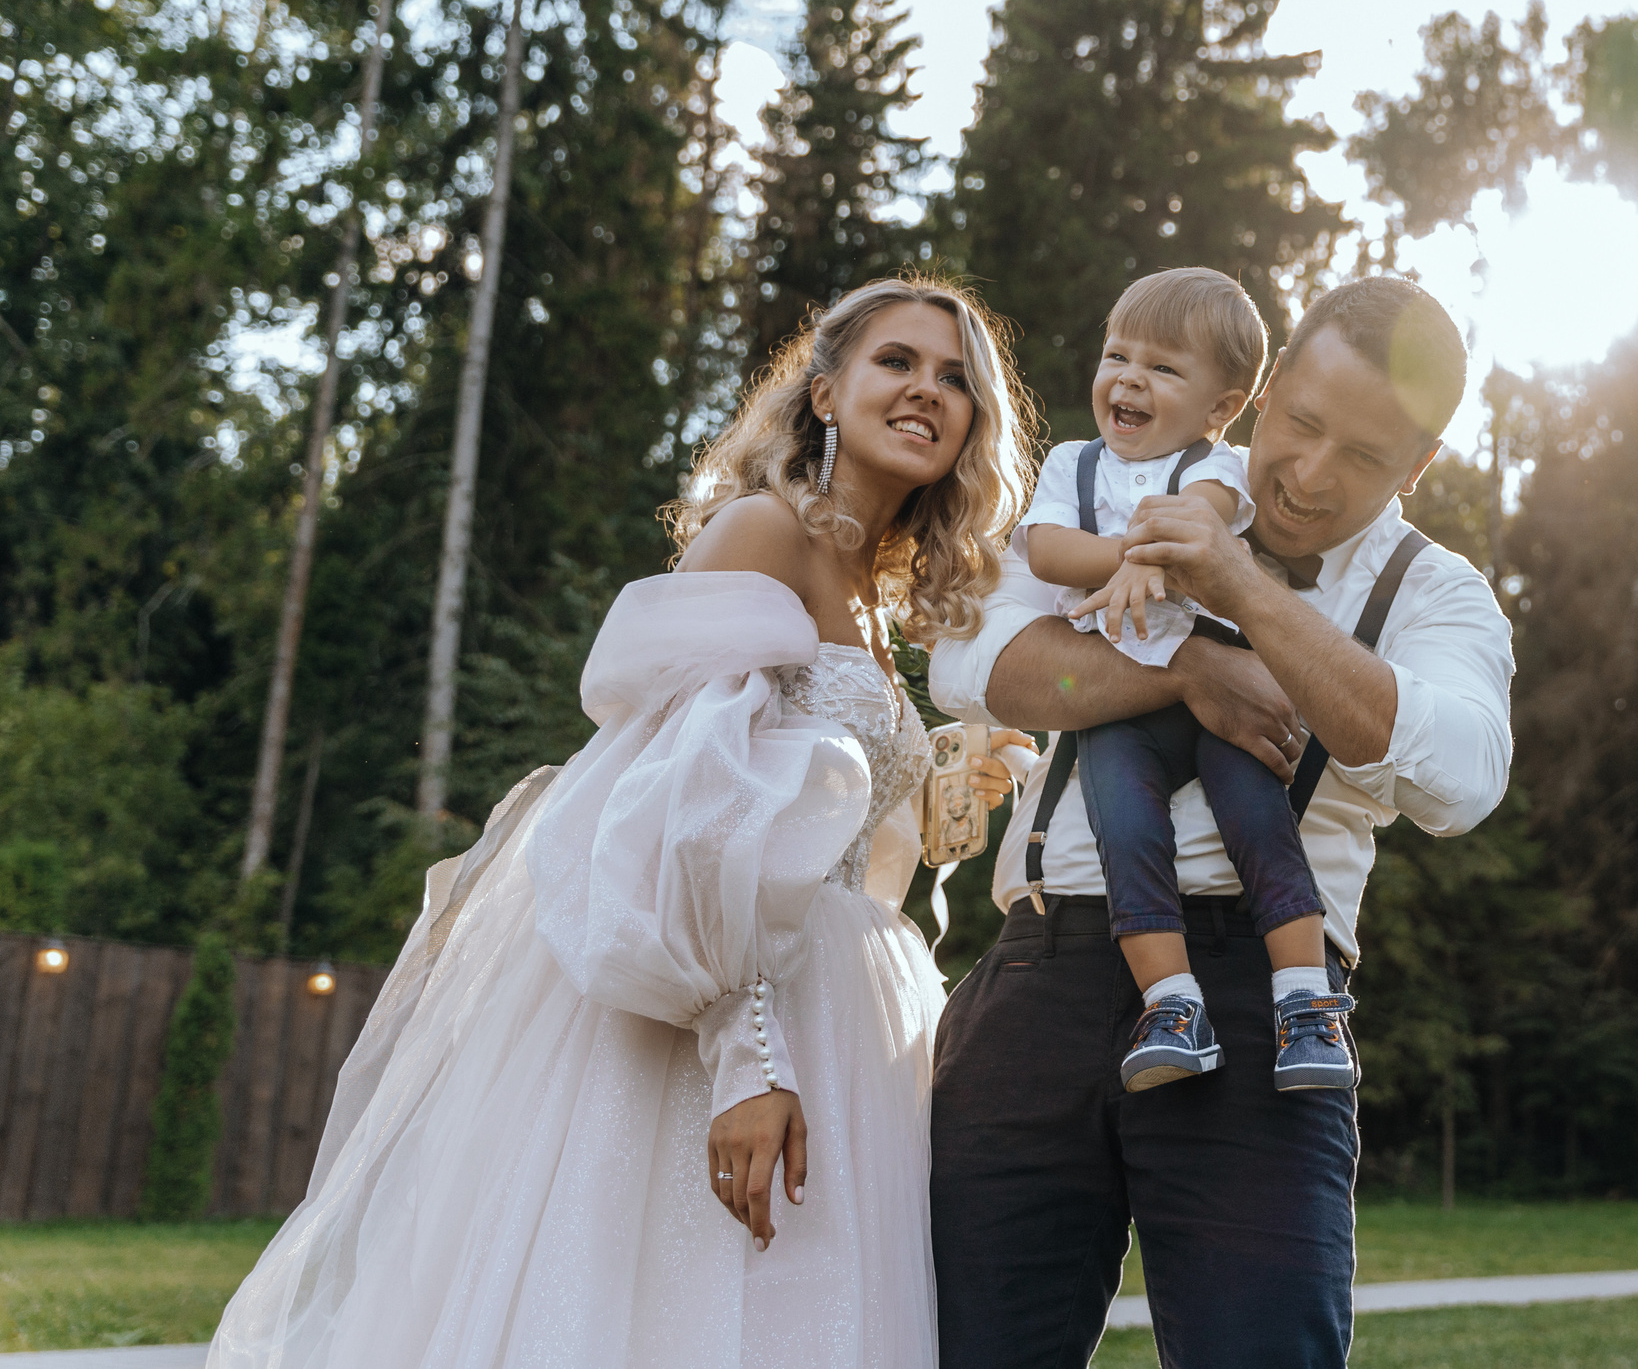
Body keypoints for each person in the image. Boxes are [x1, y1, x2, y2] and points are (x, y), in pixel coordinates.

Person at [208, 277, 1036, 1369]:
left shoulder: (877, 606)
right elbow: (680, 810)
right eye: (898, 362)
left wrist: (938, 773)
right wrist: (746, 1062)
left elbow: (813, 821)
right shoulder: (763, 534)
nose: (927, 391)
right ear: (826, 393)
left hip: (835, 1007)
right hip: (718, 1018)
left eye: (954, 379)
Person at [928, 275, 1517, 1369]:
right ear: (1262, 392)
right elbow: (982, 667)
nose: (1309, 475)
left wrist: (1244, 594)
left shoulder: (1433, 594)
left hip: (1266, 1016)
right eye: (1300, 425)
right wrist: (1189, 669)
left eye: (1364, 458)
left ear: (1419, 468)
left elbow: (1459, 781)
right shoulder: (1113, 496)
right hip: (1039, 980)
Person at [1020, 267, 1346, 1094]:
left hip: (1218, 693)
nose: (1128, 378)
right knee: (1124, 832)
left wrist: (1157, 553)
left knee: (1259, 824)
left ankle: (1306, 1003)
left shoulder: (1217, 467)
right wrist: (1138, 553)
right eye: (1117, 355)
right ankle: (1172, 1003)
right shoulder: (1071, 462)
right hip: (1117, 695)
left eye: (1163, 368)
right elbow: (1049, 552)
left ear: (1220, 408)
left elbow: (1195, 531)